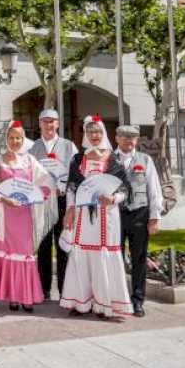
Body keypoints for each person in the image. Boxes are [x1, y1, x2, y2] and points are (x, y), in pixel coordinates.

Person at [59, 115, 133, 319]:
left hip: (107, 217)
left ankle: (104, 304)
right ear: (85, 134)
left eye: (98, 131)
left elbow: (126, 189)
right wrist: (70, 209)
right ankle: (81, 303)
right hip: (83, 216)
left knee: (103, 256)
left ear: (103, 133)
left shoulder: (113, 159)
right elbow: (72, 187)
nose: (94, 135)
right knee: (81, 256)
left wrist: (113, 198)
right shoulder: (78, 159)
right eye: (90, 131)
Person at [0, 121, 57, 312]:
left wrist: (39, 193)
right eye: (11, 137)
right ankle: (13, 298)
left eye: (18, 137)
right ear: (6, 139)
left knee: (24, 255)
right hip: (5, 217)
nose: (15, 141)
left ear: (23, 139)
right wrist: (5, 200)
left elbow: (46, 180)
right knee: (9, 257)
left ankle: (26, 297)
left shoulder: (30, 161)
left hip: (25, 217)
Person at [114, 125, 163, 318]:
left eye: (133, 137)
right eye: (125, 136)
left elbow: (154, 189)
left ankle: (137, 301)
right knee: (114, 259)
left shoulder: (145, 160)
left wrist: (154, 218)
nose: (129, 140)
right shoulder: (109, 159)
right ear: (117, 138)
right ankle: (118, 298)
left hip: (139, 215)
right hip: (115, 215)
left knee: (139, 260)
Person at [29, 109, 78, 301]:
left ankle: (65, 289)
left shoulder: (69, 146)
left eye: (52, 121)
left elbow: (75, 176)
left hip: (62, 200)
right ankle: (44, 289)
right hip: (42, 203)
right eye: (45, 121)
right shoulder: (33, 149)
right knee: (43, 247)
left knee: (63, 244)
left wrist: (64, 189)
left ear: (58, 124)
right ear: (40, 123)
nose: (49, 125)